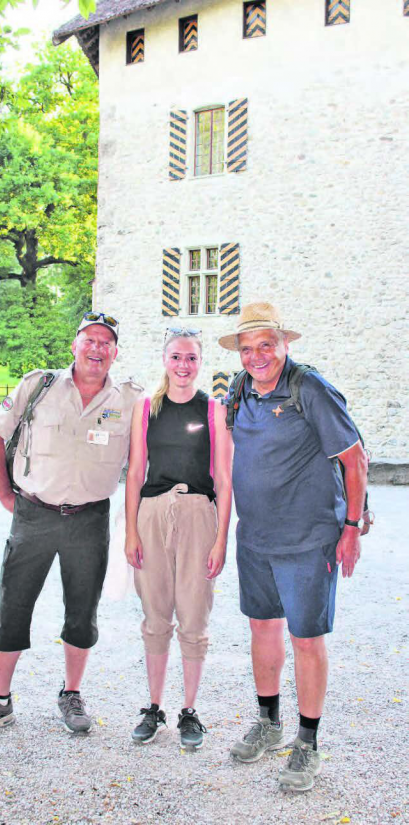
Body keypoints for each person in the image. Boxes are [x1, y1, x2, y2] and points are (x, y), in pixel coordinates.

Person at [0, 312, 143, 738]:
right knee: (13, 605)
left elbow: (140, 465)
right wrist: (5, 495)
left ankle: (71, 695)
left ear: (115, 352)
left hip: (89, 518)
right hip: (34, 514)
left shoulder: (129, 400)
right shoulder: (38, 386)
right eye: (89, 339)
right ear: (74, 345)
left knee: (82, 611)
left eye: (106, 342)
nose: (97, 348)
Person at [219, 301, 368, 791]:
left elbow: (356, 461)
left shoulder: (310, 388)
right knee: (263, 629)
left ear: (284, 345)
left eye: (267, 345)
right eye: (248, 348)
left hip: (308, 540)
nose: (257, 356)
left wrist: (349, 527)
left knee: (305, 639)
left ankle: (307, 743)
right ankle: (269, 723)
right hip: (255, 538)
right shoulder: (240, 390)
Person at [124, 328, 233, 750]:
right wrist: (131, 528)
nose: (183, 366)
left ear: (199, 362)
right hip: (151, 514)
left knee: (193, 613)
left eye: (191, 358)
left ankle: (189, 710)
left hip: (197, 515)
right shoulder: (146, 408)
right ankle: (153, 707)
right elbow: (135, 472)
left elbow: (223, 478)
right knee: (155, 614)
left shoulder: (215, 410)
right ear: (164, 359)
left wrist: (221, 538)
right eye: (176, 357)